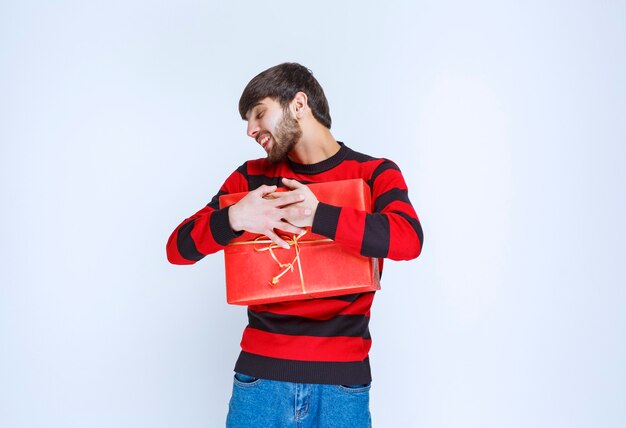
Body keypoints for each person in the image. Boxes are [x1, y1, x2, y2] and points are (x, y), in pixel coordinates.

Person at [166, 62, 423, 428]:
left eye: (259, 113)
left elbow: (408, 239)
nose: (251, 130)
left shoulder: (375, 173)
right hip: (259, 383)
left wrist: (319, 215)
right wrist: (235, 218)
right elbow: (177, 249)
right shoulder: (250, 178)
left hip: (342, 388)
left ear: (298, 104)